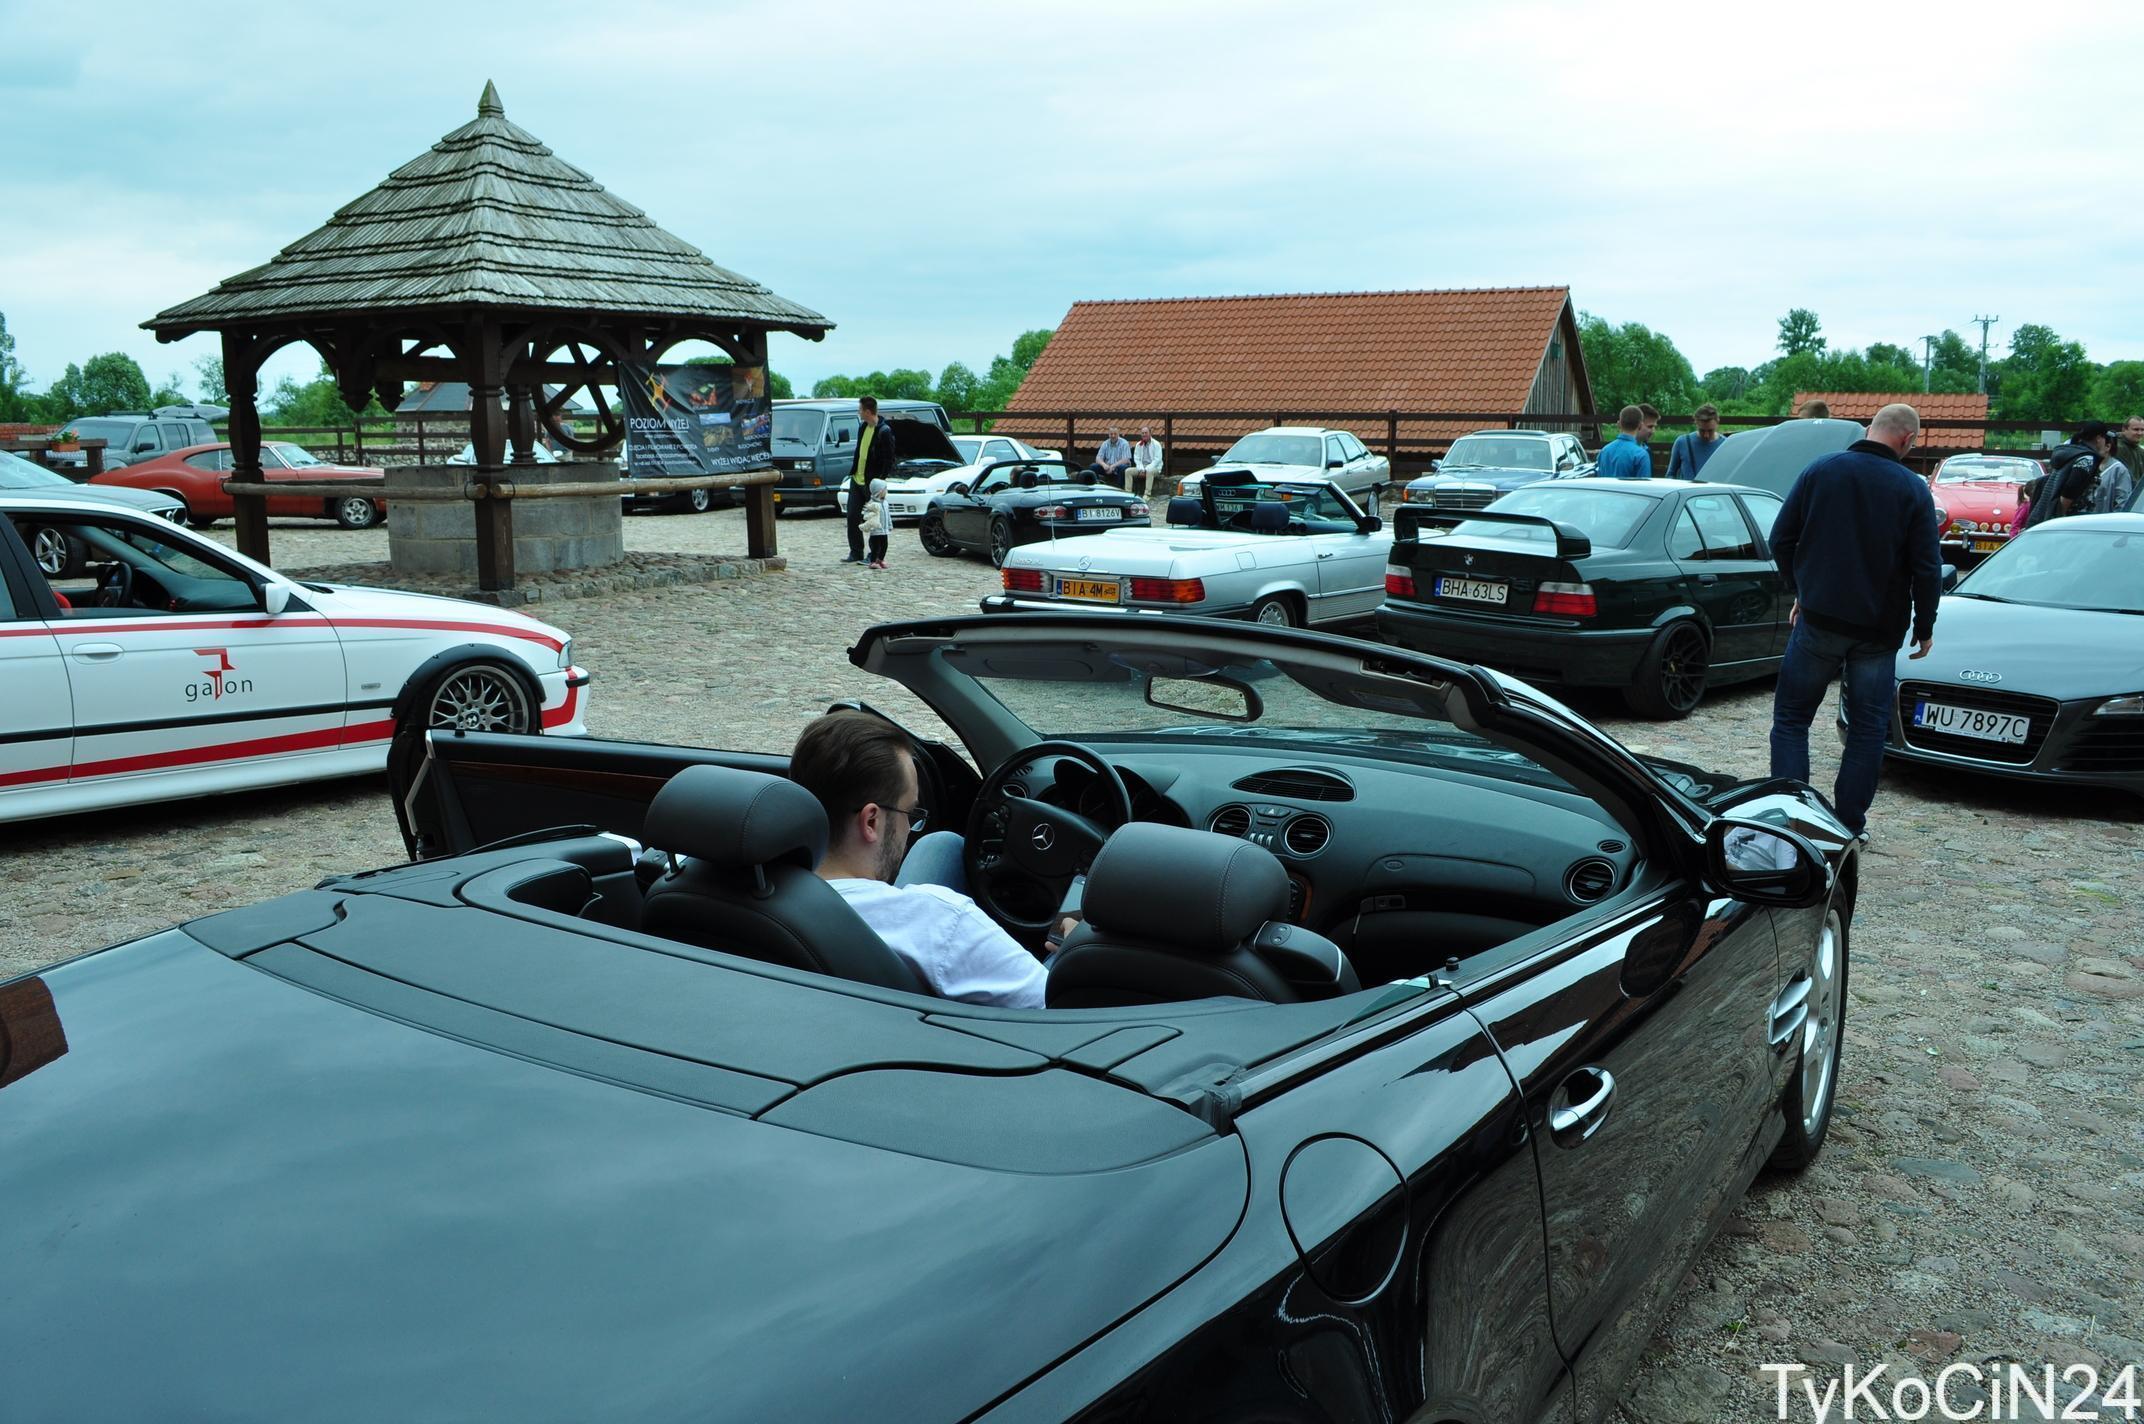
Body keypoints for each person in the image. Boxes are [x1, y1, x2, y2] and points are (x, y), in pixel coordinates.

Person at [789, 712, 1049, 1007]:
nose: (909, 828)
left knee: (941, 845)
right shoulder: (941, 921)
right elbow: (1055, 1009)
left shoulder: (759, 890)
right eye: (910, 813)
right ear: (871, 821)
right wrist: (1076, 945)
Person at [1767, 403, 1941, 838]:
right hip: (1878, 631)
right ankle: (1848, 825)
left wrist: (1801, 590)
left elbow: (1781, 538)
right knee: (1867, 729)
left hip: (1820, 619)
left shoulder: (1821, 470)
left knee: (1791, 719)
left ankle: (1793, 822)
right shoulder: (1913, 488)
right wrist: (1925, 626)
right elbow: (1927, 568)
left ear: (1868, 428)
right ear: (1908, 440)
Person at [2023, 421, 2111, 529]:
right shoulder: (2087, 459)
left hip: (2055, 514)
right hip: (2073, 520)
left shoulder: (2072, 453)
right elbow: (2071, 488)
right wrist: (2061, 513)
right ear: (2098, 438)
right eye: (2105, 438)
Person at [843, 397, 896, 563]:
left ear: (867, 411)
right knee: (852, 516)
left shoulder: (884, 431)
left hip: (872, 484)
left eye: (860, 409)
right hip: (857, 479)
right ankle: (856, 552)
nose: (858, 412)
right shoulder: (862, 427)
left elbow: (889, 459)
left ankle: (874, 556)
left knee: (874, 521)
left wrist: (880, 482)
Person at [1666, 404, 1726, 479]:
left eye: (1710, 431)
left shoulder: (1726, 444)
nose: (1706, 435)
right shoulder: (1682, 442)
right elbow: (1671, 474)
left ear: (1717, 423)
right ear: (1696, 423)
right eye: (1702, 431)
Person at [1595, 406, 1653, 479]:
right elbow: (1644, 484)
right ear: (1640, 425)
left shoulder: (1604, 451)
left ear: (1619, 424)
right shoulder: (1641, 454)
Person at [2115, 417, 2144, 512]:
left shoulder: (2139, 450)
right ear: (2124, 429)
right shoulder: (2118, 448)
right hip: (2123, 500)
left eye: (2142, 430)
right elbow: (2128, 478)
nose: (2140, 433)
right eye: (2136, 429)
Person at [1129, 423, 1166, 497]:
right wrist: (1141, 468)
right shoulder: (1138, 444)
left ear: (1150, 433)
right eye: (1142, 433)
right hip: (1141, 467)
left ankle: (1147, 494)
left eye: (1146, 433)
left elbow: (1157, 460)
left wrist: (1146, 469)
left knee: (1149, 471)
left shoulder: (1156, 444)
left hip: (1154, 468)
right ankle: (1128, 493)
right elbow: (1137, 458)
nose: (1144, 434)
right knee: (1128, 471)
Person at [862, 477, 891, 569]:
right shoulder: (872, 504)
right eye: (885, 489)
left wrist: (889, 525)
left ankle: (880, 559)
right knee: (876, 547)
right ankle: (873, 561)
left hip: (884, 530)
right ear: (879, 491)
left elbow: (888, 515)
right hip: (875, 531)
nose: (886, 491)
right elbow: (866, 515)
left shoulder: (885, 503)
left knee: (885, 546)